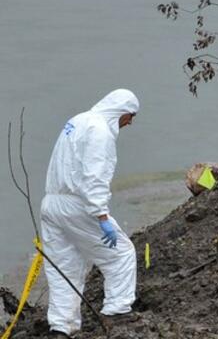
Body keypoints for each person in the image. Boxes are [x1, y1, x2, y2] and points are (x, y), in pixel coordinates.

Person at [40, 89, 140, 338]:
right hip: (78, 205)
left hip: (51, 204)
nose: (130, 122)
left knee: (66, 267)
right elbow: (94, 176)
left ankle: (61, 327)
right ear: (120, 111)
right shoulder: (100, 131)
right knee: (121, 255)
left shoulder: (77, 121)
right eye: (130, 116)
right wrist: (101, 216)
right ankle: (116, 313)